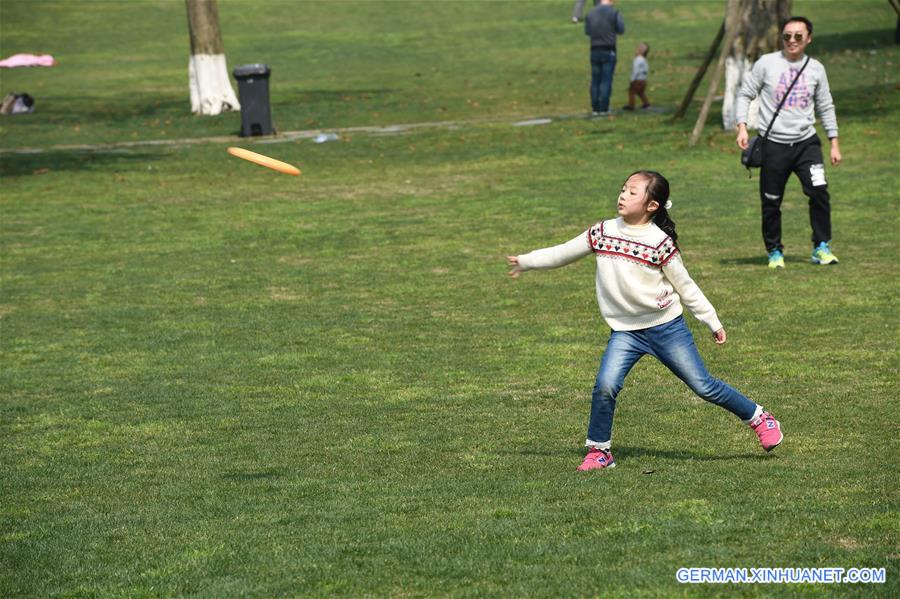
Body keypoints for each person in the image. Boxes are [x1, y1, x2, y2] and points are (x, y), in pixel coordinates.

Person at [506, 171, 783, 471]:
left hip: (666, 327)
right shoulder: (602, 232)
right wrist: (526, 261)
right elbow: (562, 252)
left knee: (703, 386)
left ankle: (758, 417)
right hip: (625, 332)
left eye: (632, 192)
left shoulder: (659, 243)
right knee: (605, 386)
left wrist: (711, 320)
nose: (623, 195)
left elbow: (685, 286)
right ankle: (600, 452)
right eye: (623, 189)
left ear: (652, 205)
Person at [735, 16, 841, 269]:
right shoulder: (766, 64)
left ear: (808, 39)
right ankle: (774, 251)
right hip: (773, 145)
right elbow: (745, 93)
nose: (792, 41)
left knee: (819, 192)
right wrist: (742, 127)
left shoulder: (816, 69)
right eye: (787, 36)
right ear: (781, 38)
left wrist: (834, 142)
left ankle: (821, 246)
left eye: (798, 36)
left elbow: (826, 106)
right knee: (771, 201)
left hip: (807, 144)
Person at [584, 0, 625, 115]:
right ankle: (604, 108)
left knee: (595, 80)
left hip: (594, 49)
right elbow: (621, 29)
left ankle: (595, 108)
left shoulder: (590, 13)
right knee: (606, 81)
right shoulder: (614, 13)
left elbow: (587, 31)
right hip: (609, 49)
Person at [623, 42, 650, 110]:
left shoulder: (638, 59)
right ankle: (646, 103)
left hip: (637, 80)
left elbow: (635, 70)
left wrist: (632, 80)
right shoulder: (644, 59)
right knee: (640, 92)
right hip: (643, 80)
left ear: (641, 51)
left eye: (638, 49)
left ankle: (631, 105)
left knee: (631, 92)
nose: (636, 50)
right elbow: (646, 69)